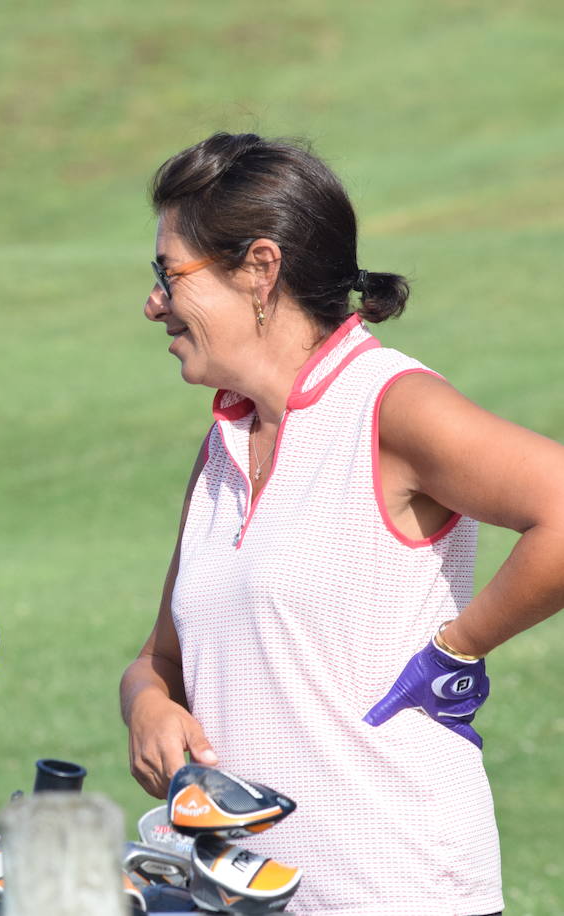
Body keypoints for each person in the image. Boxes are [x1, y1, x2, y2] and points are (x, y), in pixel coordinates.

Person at [118, 133, 564, 914]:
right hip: (239, 897)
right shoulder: (223, 440)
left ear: (260, 268)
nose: (153, 301)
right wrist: (149, 706)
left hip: (399, 890)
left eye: (169, 272)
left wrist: (458, 647)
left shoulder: (389, 404)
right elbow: (160, 659)